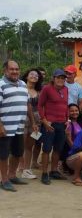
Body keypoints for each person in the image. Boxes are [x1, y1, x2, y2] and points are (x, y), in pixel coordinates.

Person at [0, 60, 36, 192]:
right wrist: (0, 126)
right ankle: (4, 180)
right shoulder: (1, 85)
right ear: (5, 70)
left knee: (17, 152)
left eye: (17, 69)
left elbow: (28, 105)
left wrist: (32, 122)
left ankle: (12, 175)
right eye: (12, 69)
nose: (15, 71)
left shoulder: (22, 84)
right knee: (3, 155)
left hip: (19, 127)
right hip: (5, 128)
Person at [38, 69, 69, 185]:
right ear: (53, 78)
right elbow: (40, 105)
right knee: (46, 149)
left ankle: (54, 171)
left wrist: (67, 120)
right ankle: (44, 173)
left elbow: (66, 105)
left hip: (62, 123)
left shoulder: (66, 89)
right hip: (49, 124)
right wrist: (44, 121)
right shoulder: (46, 88)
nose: (61, 80)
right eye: (58, 77)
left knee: (58, 148)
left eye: (62, 78)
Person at [20, 68, 43, 179]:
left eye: (37, 75)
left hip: (37, 120)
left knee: (30, 145)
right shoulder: (20, 88)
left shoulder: (40, 91)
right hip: (22, 118)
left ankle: (26, 169)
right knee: (20, 144)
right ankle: (20, 166)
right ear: (26, 76)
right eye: (32, 74)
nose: (34, 76)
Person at [62, 104, 82, 172]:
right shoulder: (67, 124)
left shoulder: (81, 122)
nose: (74, 112)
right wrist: (79, 150)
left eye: (76, 110)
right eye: (71, 111)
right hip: (73, 152)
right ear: (67, 112)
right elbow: (69, 142)